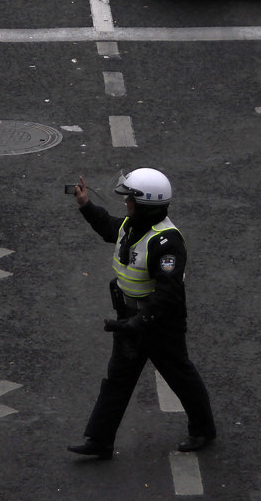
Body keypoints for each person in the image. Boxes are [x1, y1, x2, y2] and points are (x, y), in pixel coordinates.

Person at [66, 168, 216, 460]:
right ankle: (99, 440)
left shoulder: (167, 242)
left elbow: (168, 294)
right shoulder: (131, 226)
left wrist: (140, 321)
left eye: (131, 200)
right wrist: (85, 204)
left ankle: (203, 430)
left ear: (147, 205)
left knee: (180, 375)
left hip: (160, 324)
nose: (127, 205)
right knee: (118, 379)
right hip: (129, 316)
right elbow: (108, 226)